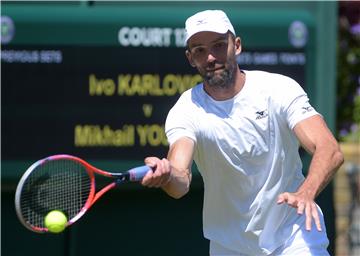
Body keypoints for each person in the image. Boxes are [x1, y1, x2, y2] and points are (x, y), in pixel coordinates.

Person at [141, 10, 344, 255]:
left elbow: (329, 149)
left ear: (236, 46)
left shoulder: (278, 89)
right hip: (229, 246)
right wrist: (167, 174)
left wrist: (306, 193)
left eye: (218, 45)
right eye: (199, 51)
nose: (211, 57)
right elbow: (180, 181)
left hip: (294, 235)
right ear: (190, 58)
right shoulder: (186, 110)